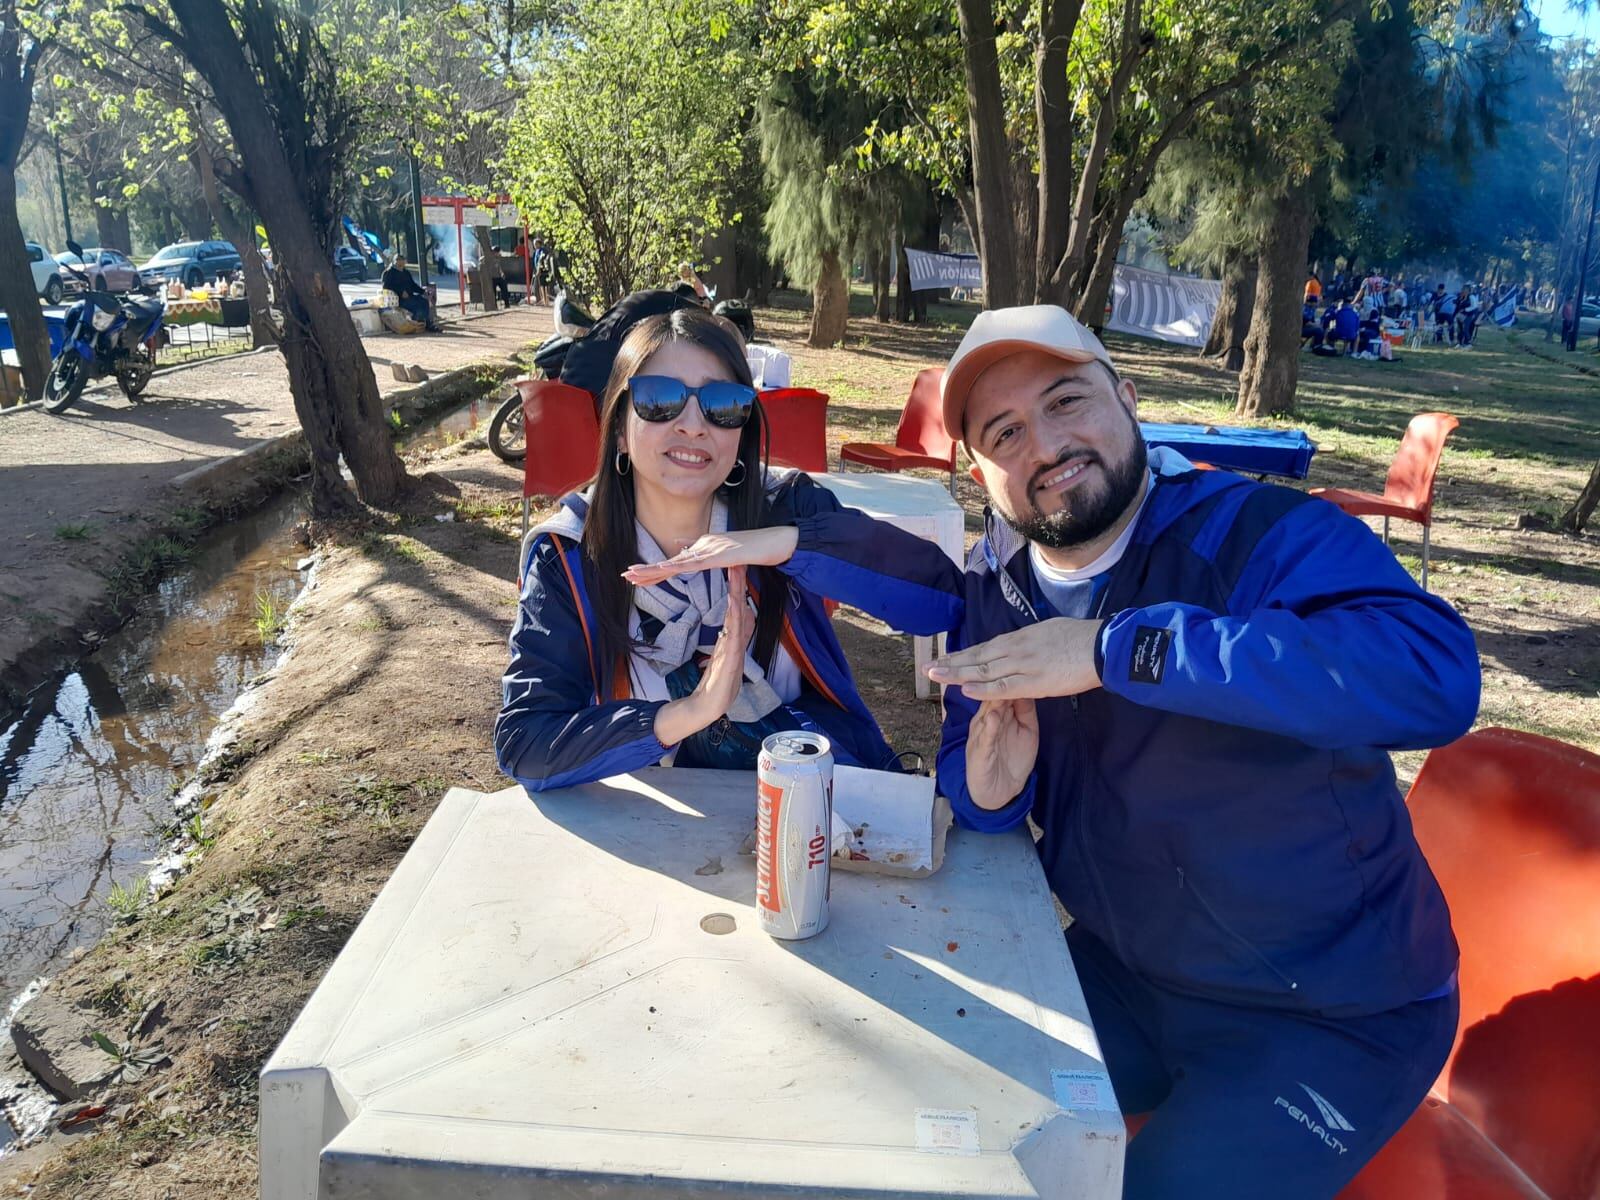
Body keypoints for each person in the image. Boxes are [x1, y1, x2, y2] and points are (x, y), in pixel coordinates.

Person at [632, 304, 1479, 1200]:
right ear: (980, 472)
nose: (1046, 443)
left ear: (1129, 397)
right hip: (1128, 976)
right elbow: (974, 774)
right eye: (1005, 431)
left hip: (1337, 1014)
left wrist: (1121, 650)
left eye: (1068, 401)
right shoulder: (1000, 589)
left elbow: (1431, 675)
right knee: (925, 1120)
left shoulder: (1254, 535)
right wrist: (990, 786)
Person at [494, 306, 957, 791]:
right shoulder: (569, 555)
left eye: (722, 405)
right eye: (660, 399)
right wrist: (693, 710)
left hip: (810, 807)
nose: (693, 425)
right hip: (655, 823)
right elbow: (527, 741)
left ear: (743, 429)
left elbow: (939, 598)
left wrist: (784, 545)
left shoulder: (784, 510)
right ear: (619, 429)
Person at [381, 253, 436, 332]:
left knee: (423, 301)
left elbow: (412, 285)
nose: (400, 262)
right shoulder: (388, 273)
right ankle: (419, 322)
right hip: (398, 299)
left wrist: (423, 291)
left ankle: (424, 322)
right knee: (415, 305)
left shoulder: (406, 272)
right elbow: (386, 286)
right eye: (398, 260)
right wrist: (400, 292)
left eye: (402, 260)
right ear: (394, 261)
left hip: (410, 296)